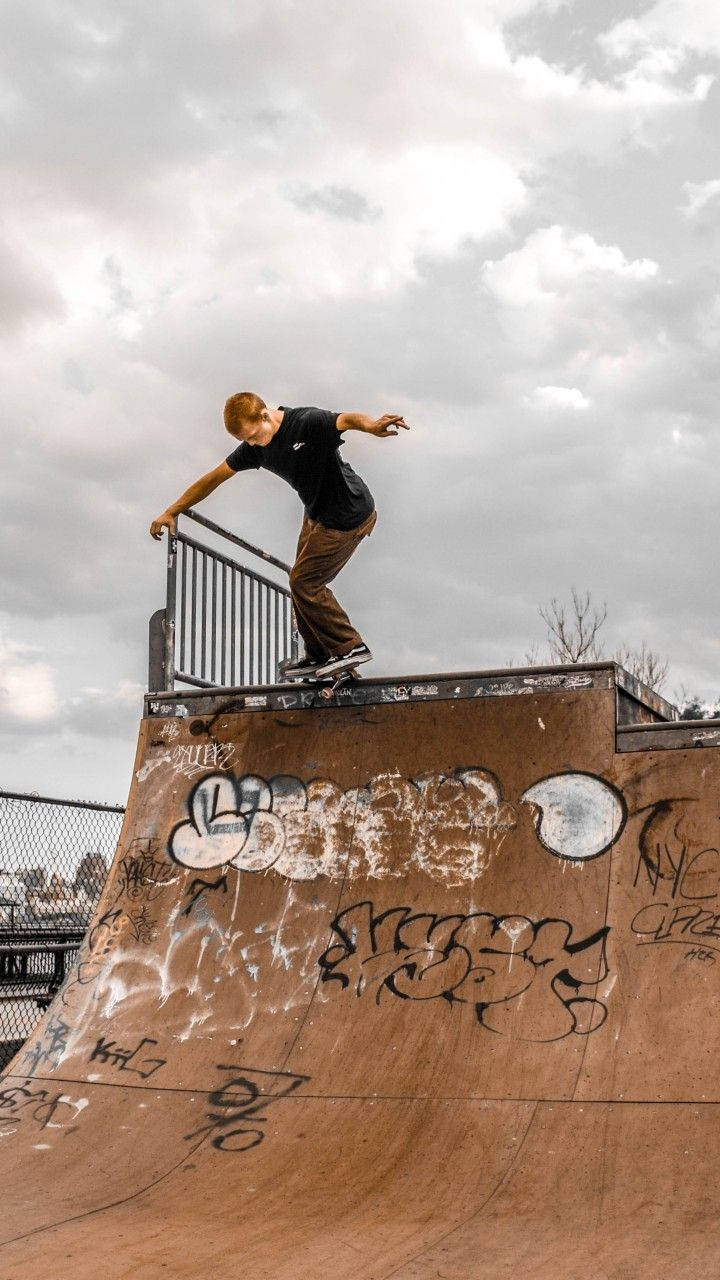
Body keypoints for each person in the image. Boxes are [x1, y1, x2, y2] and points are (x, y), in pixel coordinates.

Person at [149, 392, 409, 679]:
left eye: (253, 436)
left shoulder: (306, 422)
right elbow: (213, 478)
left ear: (264, 415)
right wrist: (172, 510)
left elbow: (345, 419)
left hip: (349, 514)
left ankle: (350, 647)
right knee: (298, 580)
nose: (252, 444)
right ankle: (318, 654)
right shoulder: (254, 449)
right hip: (316, 514)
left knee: (305, 582)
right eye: (245, 441)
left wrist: (372, 425)